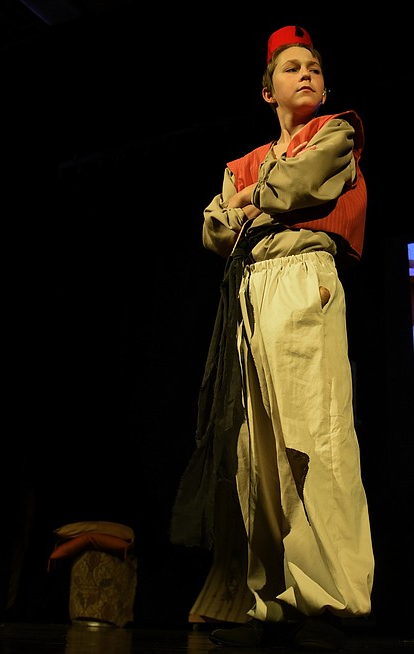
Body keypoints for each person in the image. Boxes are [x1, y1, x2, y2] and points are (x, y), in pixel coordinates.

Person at [169, 25, 373, 651]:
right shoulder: (244, 159)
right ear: (268, 91)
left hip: (303, 279)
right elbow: (211, 227)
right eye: (291, 68)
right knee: (258, 452)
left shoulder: (336, 133)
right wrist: (250, 205)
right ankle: (273, 598)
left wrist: (252, 202)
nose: (306, 73)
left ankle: (331, 599)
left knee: (316, 438)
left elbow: (297, 185)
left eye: (313, 66)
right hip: (252, 290)